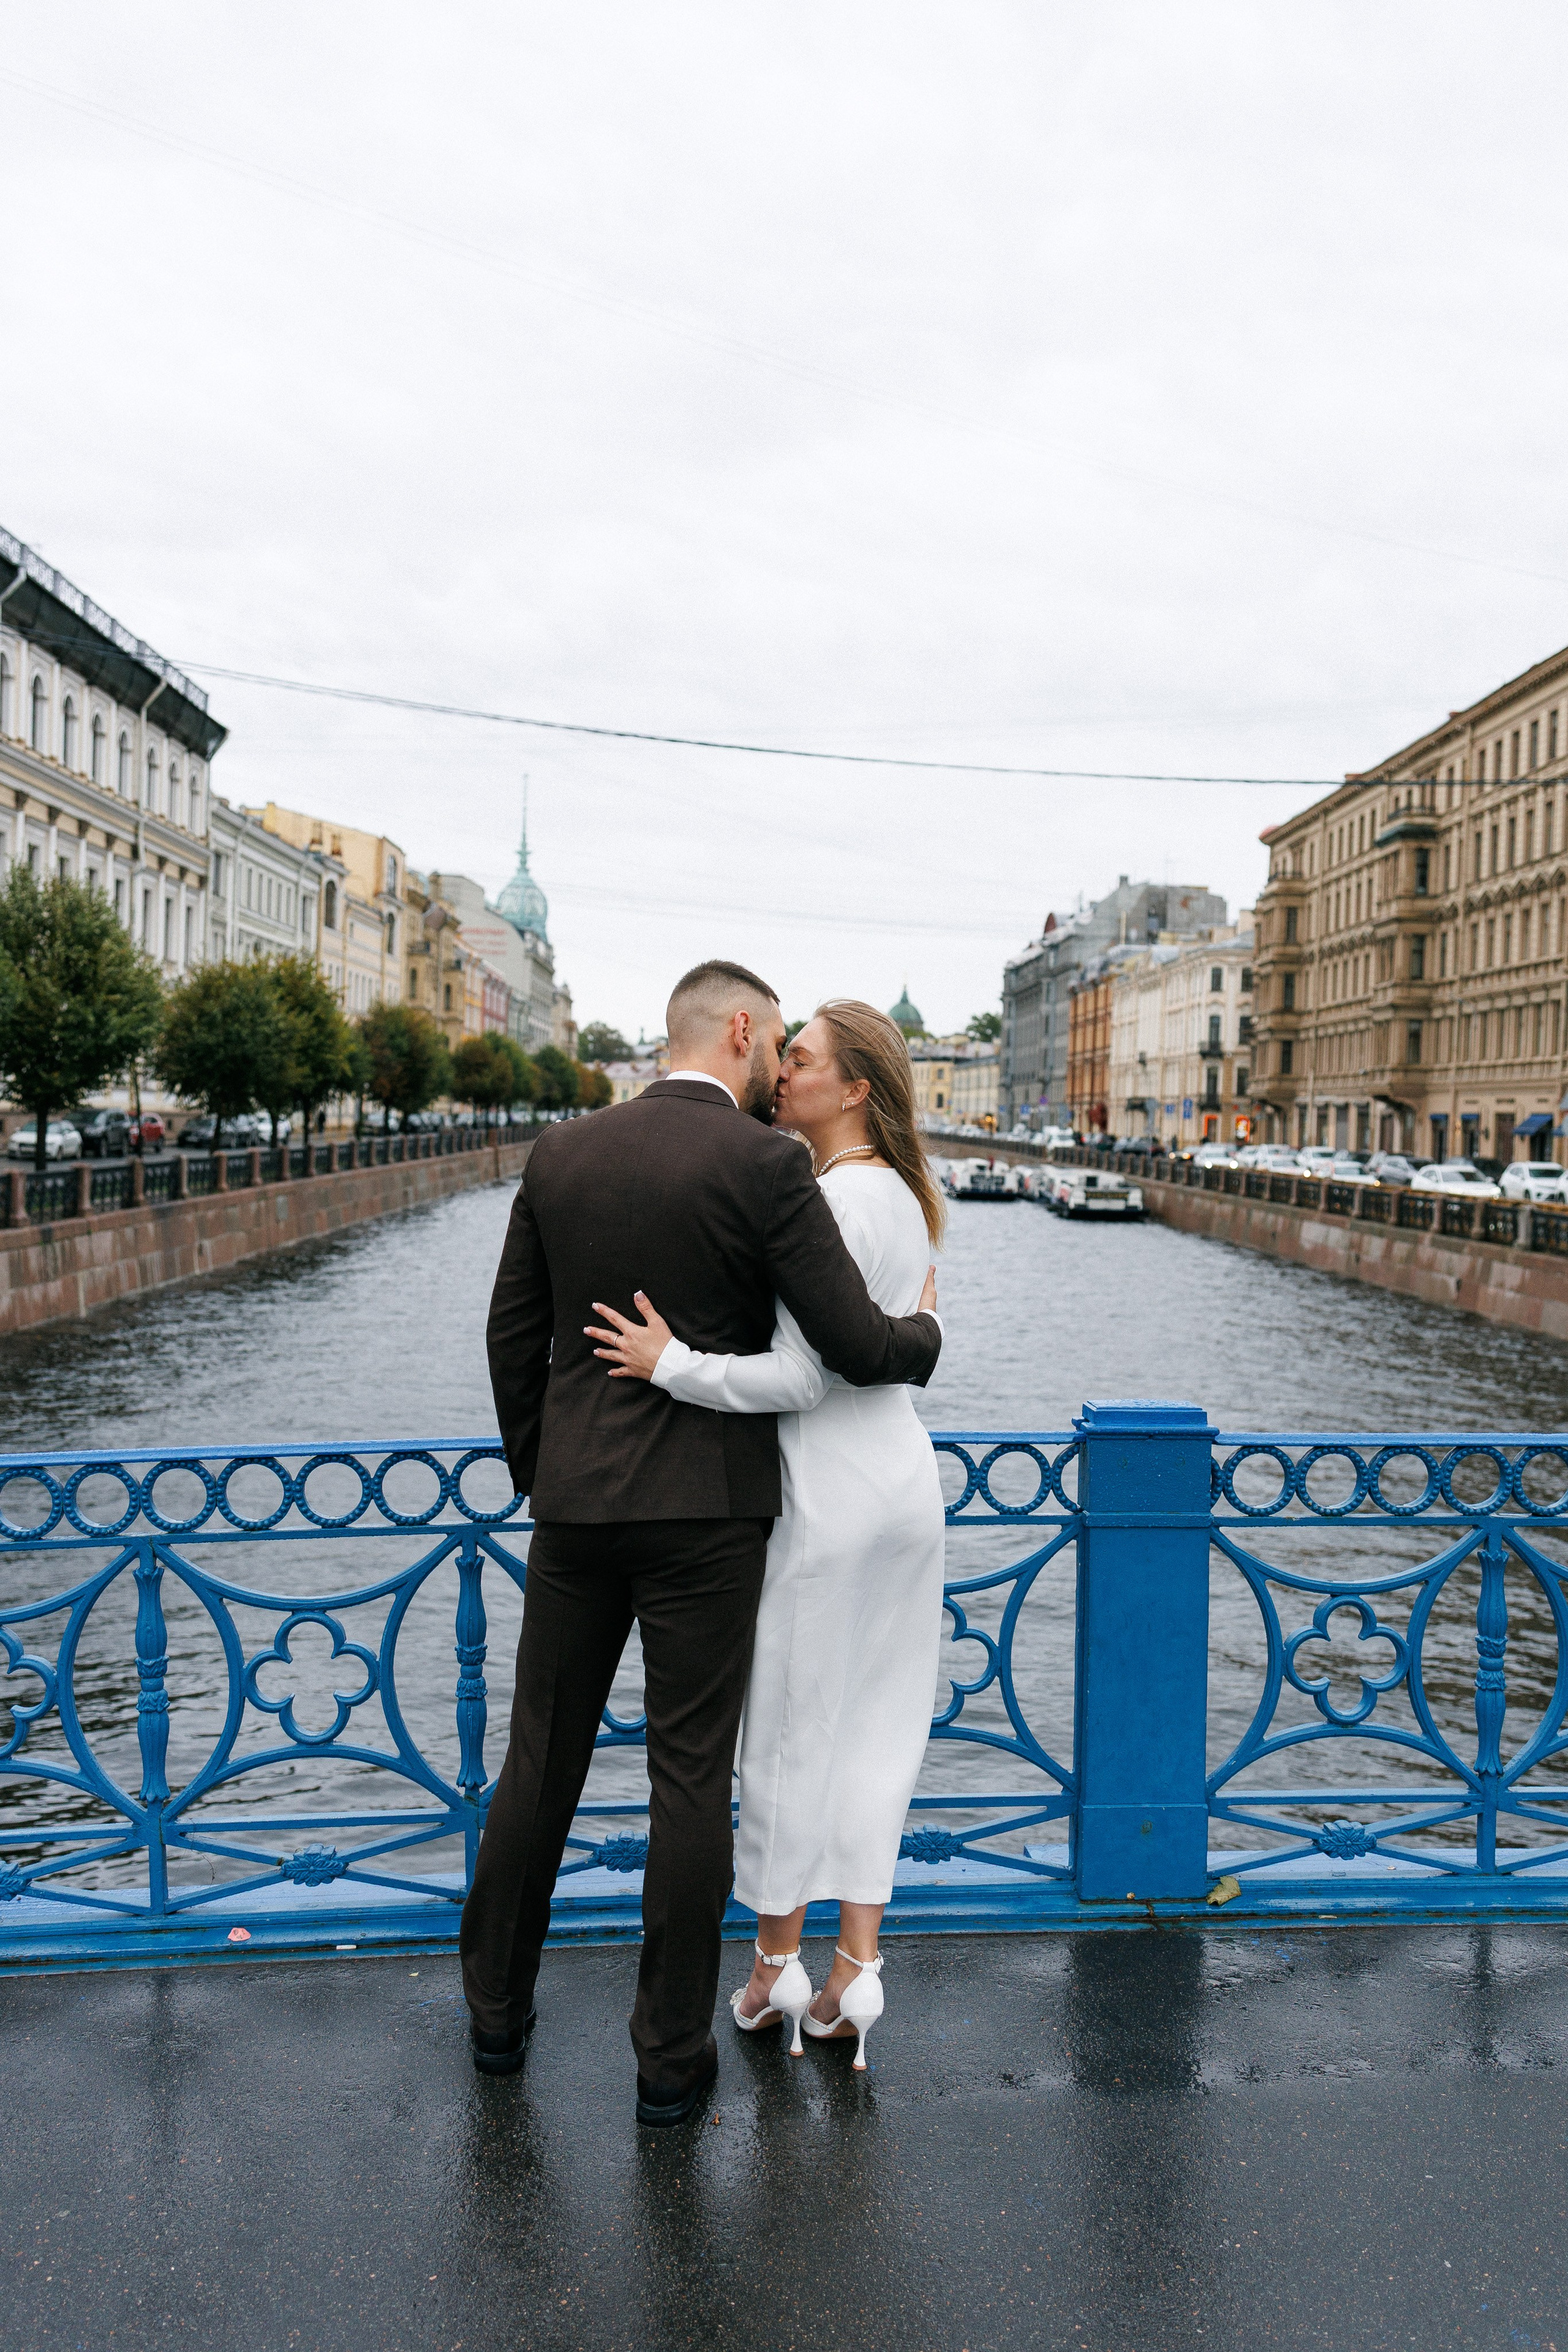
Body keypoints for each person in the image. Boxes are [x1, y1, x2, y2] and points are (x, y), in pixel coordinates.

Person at [460, 960, 942, 2127]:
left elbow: (511, 1337)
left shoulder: (562, 1152)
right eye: (776, 1045)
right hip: (712, 1518)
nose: (779, 1071)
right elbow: (852, 1349)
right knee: (686, 1782)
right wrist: (926, 1335)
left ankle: (496, 2019)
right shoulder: (765, 1165)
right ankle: (670, 2065)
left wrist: (548, 1471)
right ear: (738, 1028)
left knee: (539, 1762)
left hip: (578, 1509)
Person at [587, 999, 947, 2072]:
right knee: (881, 1728)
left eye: (804, 1061)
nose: (782, 1074)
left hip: (826, 1494)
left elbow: (802, 1378)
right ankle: (856, 1974)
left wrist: (672, 1364)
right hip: (905, 1486)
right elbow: (904, 1337)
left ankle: (774, 1971)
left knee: (793, 1732)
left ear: (856, 1089)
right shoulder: (911, 1197)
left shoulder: (823, 1198)